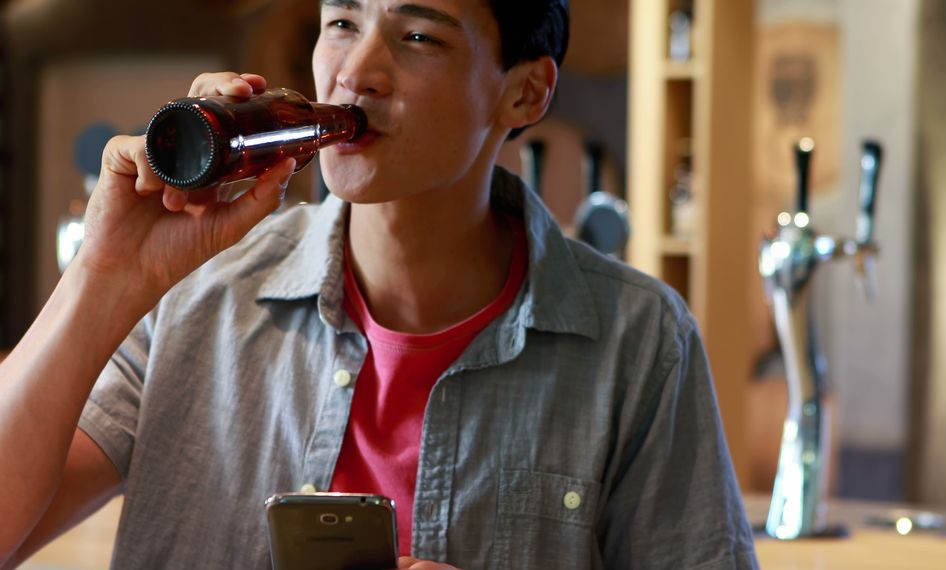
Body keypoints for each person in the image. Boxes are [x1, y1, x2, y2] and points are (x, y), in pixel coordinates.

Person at [0, 0, 759, 568]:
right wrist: (104, 273)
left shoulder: (639, 340)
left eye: (418, 36)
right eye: (340, 23)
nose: (355, 73)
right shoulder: (198, 291)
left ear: (524, 94)